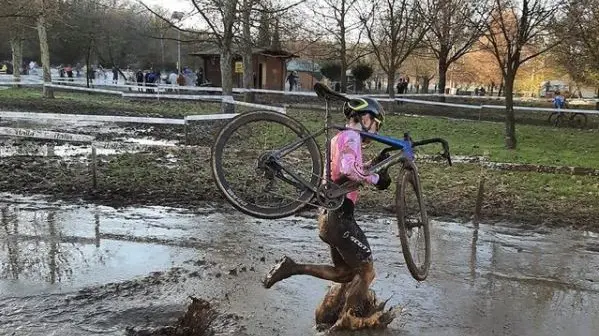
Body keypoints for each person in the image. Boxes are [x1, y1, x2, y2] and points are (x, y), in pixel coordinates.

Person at [263, 97, 397, 329]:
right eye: (376, 124)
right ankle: (346, 322)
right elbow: (347, 168)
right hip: (341, 218)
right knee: (366, 271)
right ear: (366, 118)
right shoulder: (352, 136)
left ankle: (292, 268)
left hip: (327, 217)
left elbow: (346, 171)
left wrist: (373, 165)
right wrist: (376, 178)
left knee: (344, 273)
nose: (376, 130)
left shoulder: (339, 138)